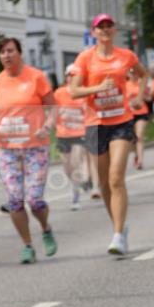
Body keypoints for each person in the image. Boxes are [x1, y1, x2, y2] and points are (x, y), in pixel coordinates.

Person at [70, 14, 148, 255]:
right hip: (95, 124)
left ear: (114, 30)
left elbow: (143, 75)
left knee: (116, 178)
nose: (104, 30)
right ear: (94, 32)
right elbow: (73, 91)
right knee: (103, 184)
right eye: (100, 27)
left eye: (108, 26)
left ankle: (117, 236)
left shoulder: (126, 56)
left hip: (121, 122)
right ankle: (120, 226)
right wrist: (97, 88)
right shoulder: (85, 58)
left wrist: (138, 97)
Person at [0, 38, 58, 264]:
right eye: (2, 52)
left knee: (34, 199)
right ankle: (27, 245)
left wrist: (48, 126)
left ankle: (45, 228)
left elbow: (53, 107)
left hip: (35, 147)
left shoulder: (36, 77)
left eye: (10, 51)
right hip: (7, 150)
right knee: (15, 200)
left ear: (20, 53)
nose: (6, 55)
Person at [53, 65, 89, 209]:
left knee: (75, 163)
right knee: (67, 167)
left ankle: (75, 198)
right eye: (69, 74)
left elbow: (89, 112)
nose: (71, 77)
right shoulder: (59, 93)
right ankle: (79, 183)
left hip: (80, 133)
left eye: (74, 75)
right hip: (63, 134)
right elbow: (53, 110)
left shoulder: (83, 92)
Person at [126, 69, 151, 170]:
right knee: (132, 139)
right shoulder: (125, 84)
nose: (134, 75)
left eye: (135, 73)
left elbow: (149, 99)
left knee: (139, 136)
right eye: (132, 73)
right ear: (128, 74)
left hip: (141, 112)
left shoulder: (142, 84)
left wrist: (142, 95)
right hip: (129, 114)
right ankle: (136, 154)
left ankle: (140, 161)